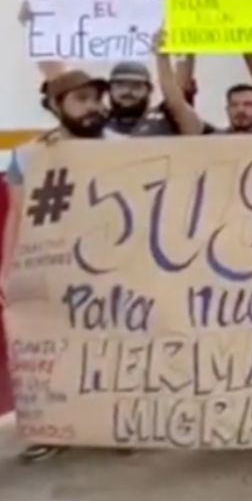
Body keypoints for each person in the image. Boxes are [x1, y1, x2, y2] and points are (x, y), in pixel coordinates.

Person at [3, 70, 116, 462]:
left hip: (113, 266)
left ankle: (119, 425)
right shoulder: (28, 155)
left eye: (95, 99)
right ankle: (55, 428)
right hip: (54, 265)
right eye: (81, 100)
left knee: (112, 347)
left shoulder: (122, 148)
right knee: (53, 349)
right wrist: (8, 270)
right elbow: (18, 215)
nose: (92, 108)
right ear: (55, 106)